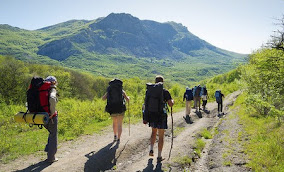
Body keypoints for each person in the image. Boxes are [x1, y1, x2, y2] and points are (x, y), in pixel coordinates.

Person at [144, 75, 174, 162]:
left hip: (152, 115)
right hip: (161, 116)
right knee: (161, 136)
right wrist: (173, 101)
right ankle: (159, 156)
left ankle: (151, 149)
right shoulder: (165, 92)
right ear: (162, 82)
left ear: (155, 82)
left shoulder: (149, 91)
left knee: (153, 132)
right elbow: (170, 104)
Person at [44, 76, 58, 163]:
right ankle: (51, 157)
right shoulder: (52, 90)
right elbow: (52, 99)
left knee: (51, 133)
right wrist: (52, 113)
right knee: (53, 135)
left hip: (41, 116)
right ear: (54, 82)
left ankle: (48, 150)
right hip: (50, 116)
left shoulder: (42, 90)